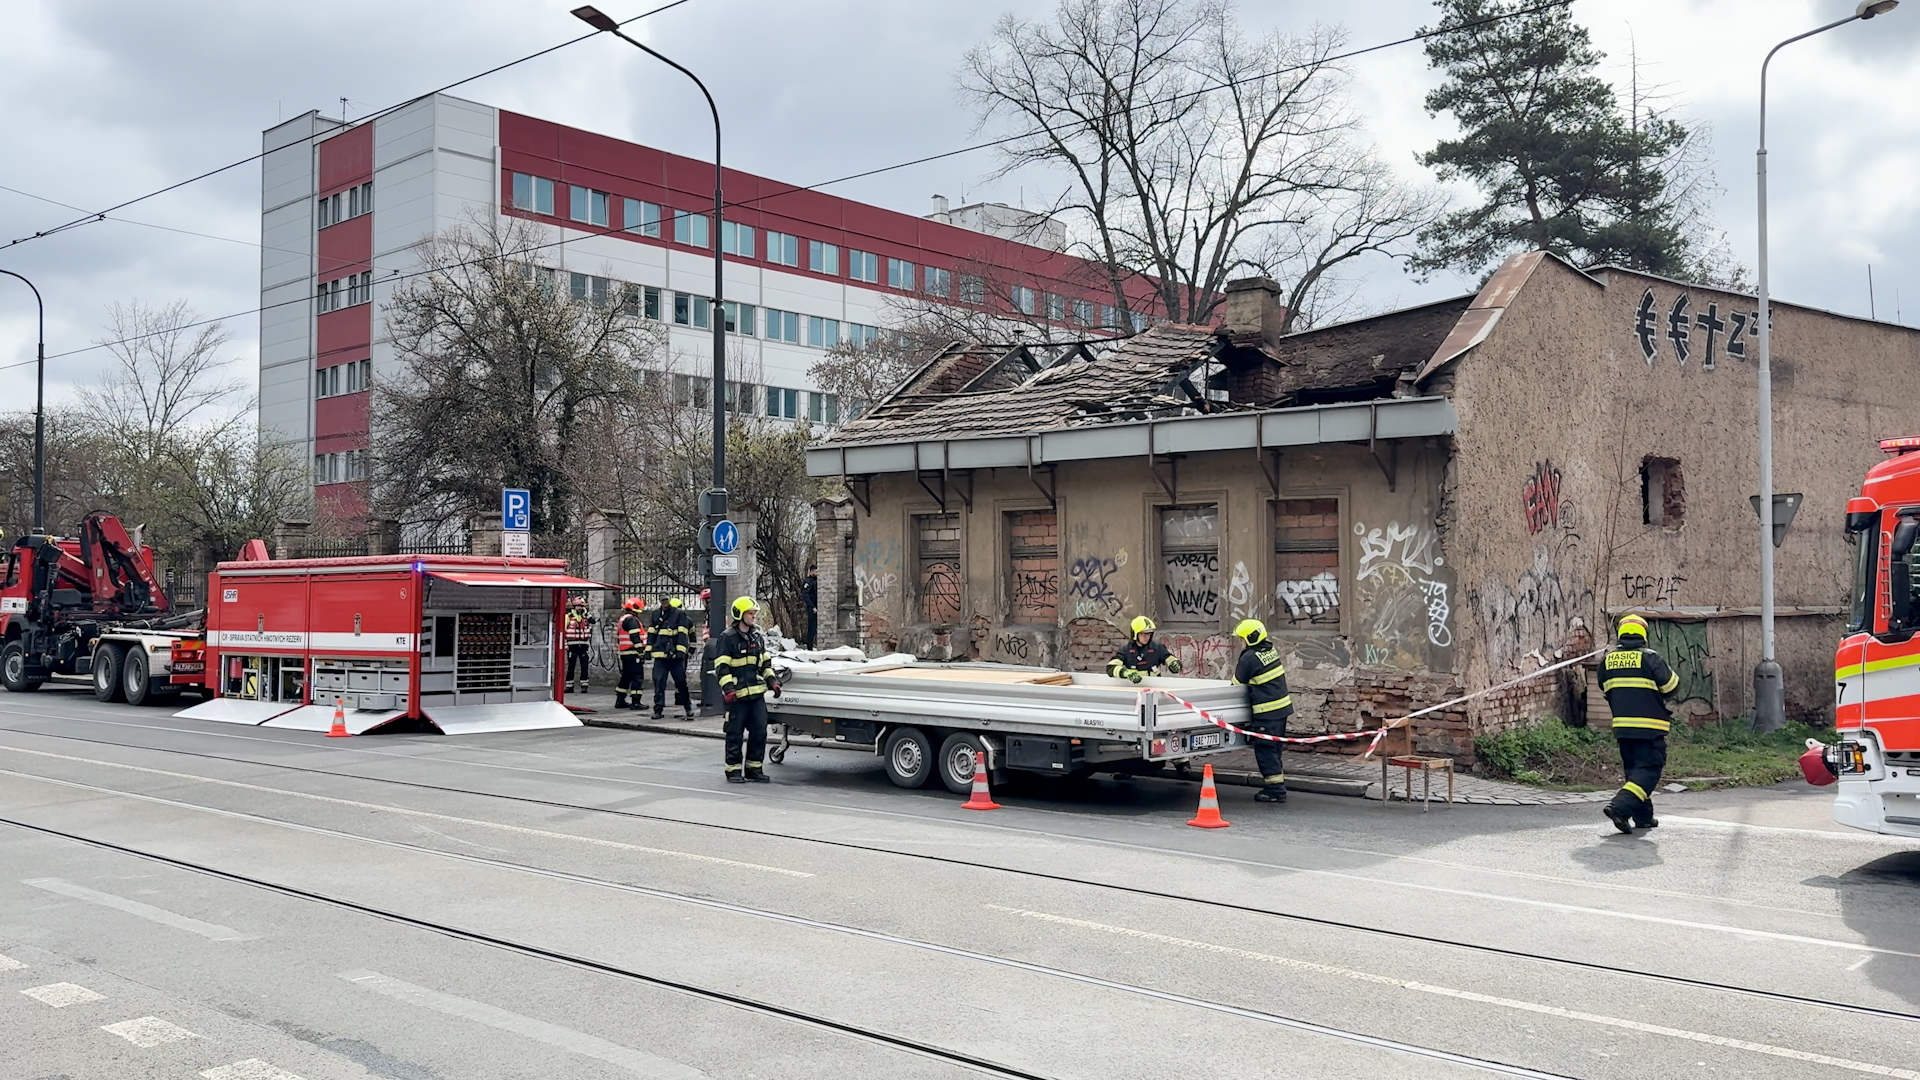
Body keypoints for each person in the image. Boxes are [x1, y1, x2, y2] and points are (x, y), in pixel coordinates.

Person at [1600, 613, 1681, 833]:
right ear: (1643, 634)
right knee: (1649, 769)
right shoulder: (1650, 658)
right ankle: (1620, 807)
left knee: (1635, 772)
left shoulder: (1607, 660)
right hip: (1650, 727)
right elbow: (1672, 688)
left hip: (1623, 728)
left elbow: (1605, 690)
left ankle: (1643, 817)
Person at [711, 596, 775, 784]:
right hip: (737, 698)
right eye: (750, 613)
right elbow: (721, 667)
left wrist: (773, 682)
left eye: (755, 613)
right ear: (739, 614)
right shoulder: (727, 637)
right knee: (735, 734)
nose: (753, 616)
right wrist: (729, 689)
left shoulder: (756, 636)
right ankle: (733, 770)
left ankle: (754, 769)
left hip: (755, 696)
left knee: (759, 732)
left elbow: (764, 663)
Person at [1231, 619, 1293, 804]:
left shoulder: (1249, 658)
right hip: (1281, 709)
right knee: (1275, 750)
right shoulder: (1270, 650)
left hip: (1266, 713)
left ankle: (1275, 791)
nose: (1240, 642)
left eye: (1242, 639)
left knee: (1266, 751)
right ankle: (1277, 785)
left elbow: (1236, 685)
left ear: (1250, 638)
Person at [648, 595, 696, 720]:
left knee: (681, 682)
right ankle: (658, 709)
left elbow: (683, 633)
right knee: (659, 682)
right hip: (660, 654)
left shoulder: (679, 615)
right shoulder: (656, 615)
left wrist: (681, 650)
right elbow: (651, 633)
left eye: (666, 600)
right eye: (662, 600)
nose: (664, 602)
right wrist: (648, 650)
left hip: (675, 655)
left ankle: (688, 707)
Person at [1106, 616, 1183, 682]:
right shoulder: (1126, 650)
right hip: (1134, 688)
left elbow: (1169, 658)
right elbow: (1110, 668)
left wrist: (1175, 664)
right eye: (1143, 634)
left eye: (1149, 634)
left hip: (1154, 688)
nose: (1147, 637)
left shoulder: (1157, 648)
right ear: (1135, 634)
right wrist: (1125, 673)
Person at [614, 597, 647, 709]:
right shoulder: (632, 620)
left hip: (625, 653)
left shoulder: (623, 619)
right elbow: (635, 637)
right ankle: (636, 702)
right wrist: (641, 651)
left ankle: (620, 700)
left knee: (626, 677)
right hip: (633, 653)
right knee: (637, 677)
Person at [562, 595, 593, 694]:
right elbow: (563, 631)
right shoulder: (568, 617)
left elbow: (593, 621)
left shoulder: (585, 617)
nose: (580, 608)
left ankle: (584, 685)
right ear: (574, 606)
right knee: (571, 666)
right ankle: (569, 686)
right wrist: (565, 644)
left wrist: (587, 614)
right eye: (579, 606)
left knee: (584, 666)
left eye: (582, 606)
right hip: (572, 645)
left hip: (583, 645)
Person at [802, 565, 819, 649]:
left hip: (817, 607)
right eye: (816, 572)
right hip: (812, 608)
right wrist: (812, 607)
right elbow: (805, 596)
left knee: (816, 628)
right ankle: (809, 647)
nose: (817, 574)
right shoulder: (808, 581)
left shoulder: (817, 581)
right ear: (812, 572)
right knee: (812, 628)